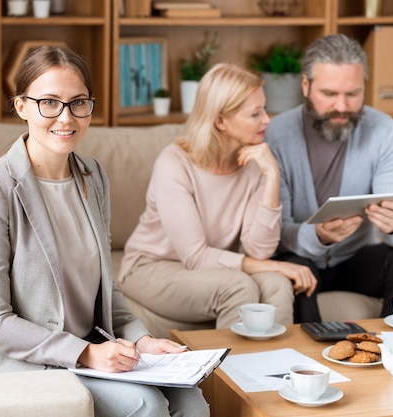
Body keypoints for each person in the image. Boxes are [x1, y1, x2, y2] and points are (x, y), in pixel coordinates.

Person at [0, 45, 209, 417]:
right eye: (49, 102)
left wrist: (142, 339)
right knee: (146, 405)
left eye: (78, 102)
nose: (66, 117)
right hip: (24, 360)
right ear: (22, 106)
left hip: (90, 347)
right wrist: (86, 353)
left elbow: (105, 287)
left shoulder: (93, 175)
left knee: (192, 400)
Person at [118, 63, 316, 329]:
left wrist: (273, 178)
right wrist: (277, 265)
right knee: (238, 287)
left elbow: (259, 249)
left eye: (264, 109)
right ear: (220, 120)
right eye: (255, 114)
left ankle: (271, 369)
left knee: (278, 286)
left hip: (217, 268)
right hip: (151, 267)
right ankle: (226, 372)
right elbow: (196, 257)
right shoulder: (175, 163)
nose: (267, 119)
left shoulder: (257, 163)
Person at [265, 34, 393, 323]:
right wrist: (318, 235)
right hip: (297, 256)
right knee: (290, 275)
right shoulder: (276, 136)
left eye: (353, 94)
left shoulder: (382, 130)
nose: (342, 106)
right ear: (306, 86)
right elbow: (276, 232)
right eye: (330, 94)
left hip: (354, 259)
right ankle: (308, 364)